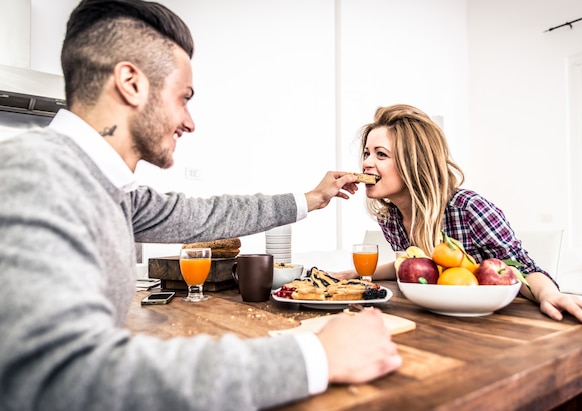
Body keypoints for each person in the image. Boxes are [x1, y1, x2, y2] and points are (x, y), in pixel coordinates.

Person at [0, 1, 402, 410]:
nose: (189, 121)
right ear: (130, 83)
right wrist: (316, 357)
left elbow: (207, 215)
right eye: (183, 98)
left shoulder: (104, 189)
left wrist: (310, 199)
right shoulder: (37, 174)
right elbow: (66, 379)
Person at [336, 104, 582, 329]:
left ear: (415, 163)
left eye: (380, 154)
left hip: (488, 324)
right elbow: (412, 263)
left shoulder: (469, 208)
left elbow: (523, 268)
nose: (366, 163)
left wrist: (550, 295)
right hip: (436, 320)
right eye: (366, 153)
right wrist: (355, 274)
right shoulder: (392, 218)